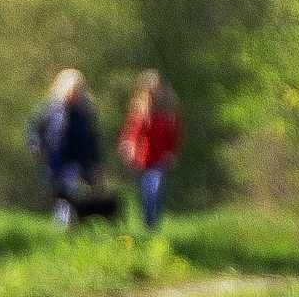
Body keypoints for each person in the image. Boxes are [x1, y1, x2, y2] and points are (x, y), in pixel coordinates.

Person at [28, 68, 104, 227]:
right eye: (71, 90)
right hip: (56, 161)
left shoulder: (86, 112)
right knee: (61, 194)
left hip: (77, 161)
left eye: (77, 90)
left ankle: (66, 224)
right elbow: (36, 129)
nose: (73, 94)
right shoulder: (50, 109)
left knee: (72, 189)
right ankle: (64, 224)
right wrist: (36, 145)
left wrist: (96, 162)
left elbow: (93, 139)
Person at [118, 69, 183, 231]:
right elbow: (131, 132)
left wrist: (172, 152)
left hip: (159, 158)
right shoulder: (138, 110)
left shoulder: (170, 111)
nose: (154, 92)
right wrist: (128, 147)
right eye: (151, 88)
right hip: (141, 159)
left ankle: (153, 223)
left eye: (157, 88)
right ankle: (148, 222)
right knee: (145, 193)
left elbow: (175, 135)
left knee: (156, 188)